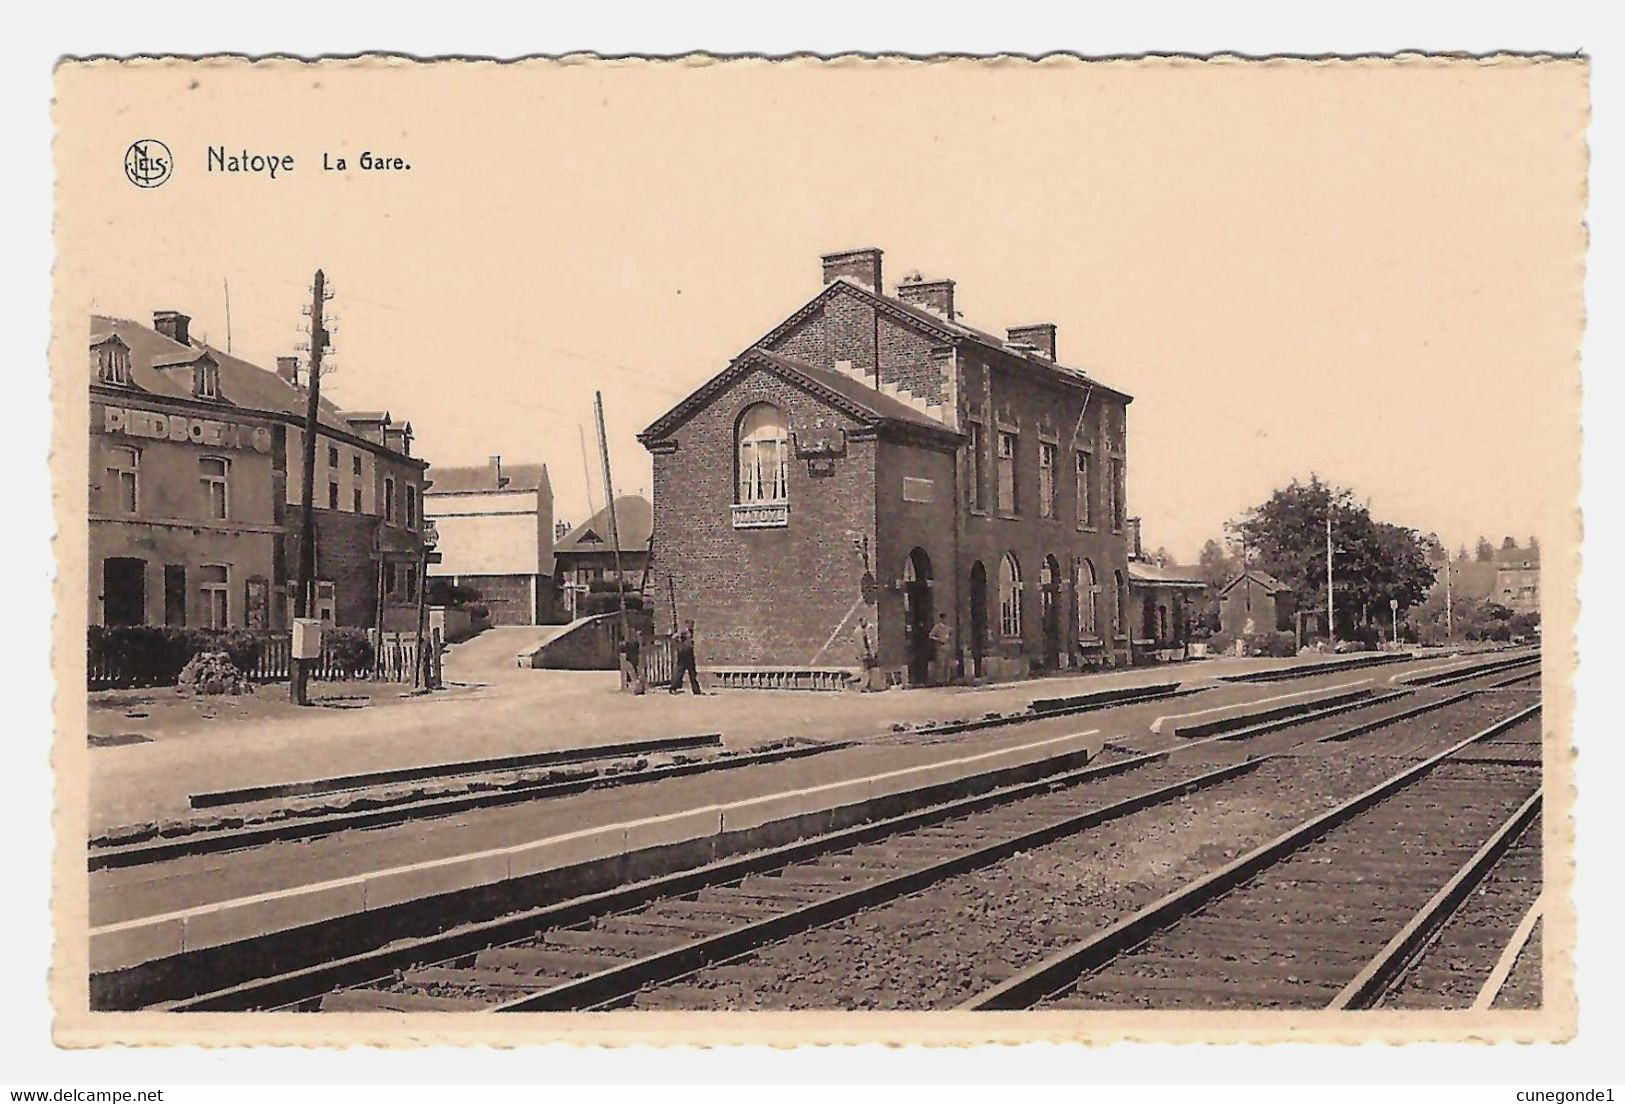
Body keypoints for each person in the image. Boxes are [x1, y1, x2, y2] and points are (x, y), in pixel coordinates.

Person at [668, 619, 703, 694]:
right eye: (690, 624)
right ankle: (673, 688)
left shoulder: (691, 632)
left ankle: (696, 690)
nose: (692, 626)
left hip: (690, 654)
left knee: (692, 673)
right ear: (687, 624)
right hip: (683, 654)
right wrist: (678, 645)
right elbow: (674, 637)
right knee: (679, 672)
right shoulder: (684, 632)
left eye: (692, 624)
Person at [855, 616, 879, 692]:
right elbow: (862, 643)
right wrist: (866, 652)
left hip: (867, 653)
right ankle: (864, 686)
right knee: (866, 670)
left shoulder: (866, 630)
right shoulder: (859, 632)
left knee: (869, 670)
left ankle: (868, 685)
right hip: (864, 653)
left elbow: (871, 641)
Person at [928, 612, 953, 685]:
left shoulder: (948, 627)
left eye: (946, 618)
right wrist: (938, 639)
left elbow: (950, 635)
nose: (945, 620)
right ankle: (940, 680)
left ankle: (947, 680)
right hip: (940, 646)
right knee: (940, 664)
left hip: (947, 646)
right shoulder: (937, 627)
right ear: (941, 619)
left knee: (947, 663)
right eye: (943, 618)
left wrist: (949, 639)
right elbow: (931, 636)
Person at [619, 629, 645, 695]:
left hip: (635, 659)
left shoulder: (636, 644)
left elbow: (640, 649)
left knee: (637, 673)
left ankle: (638, 687)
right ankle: (635, 687)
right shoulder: (628, 645)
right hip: (630, 659)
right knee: (632, 673)